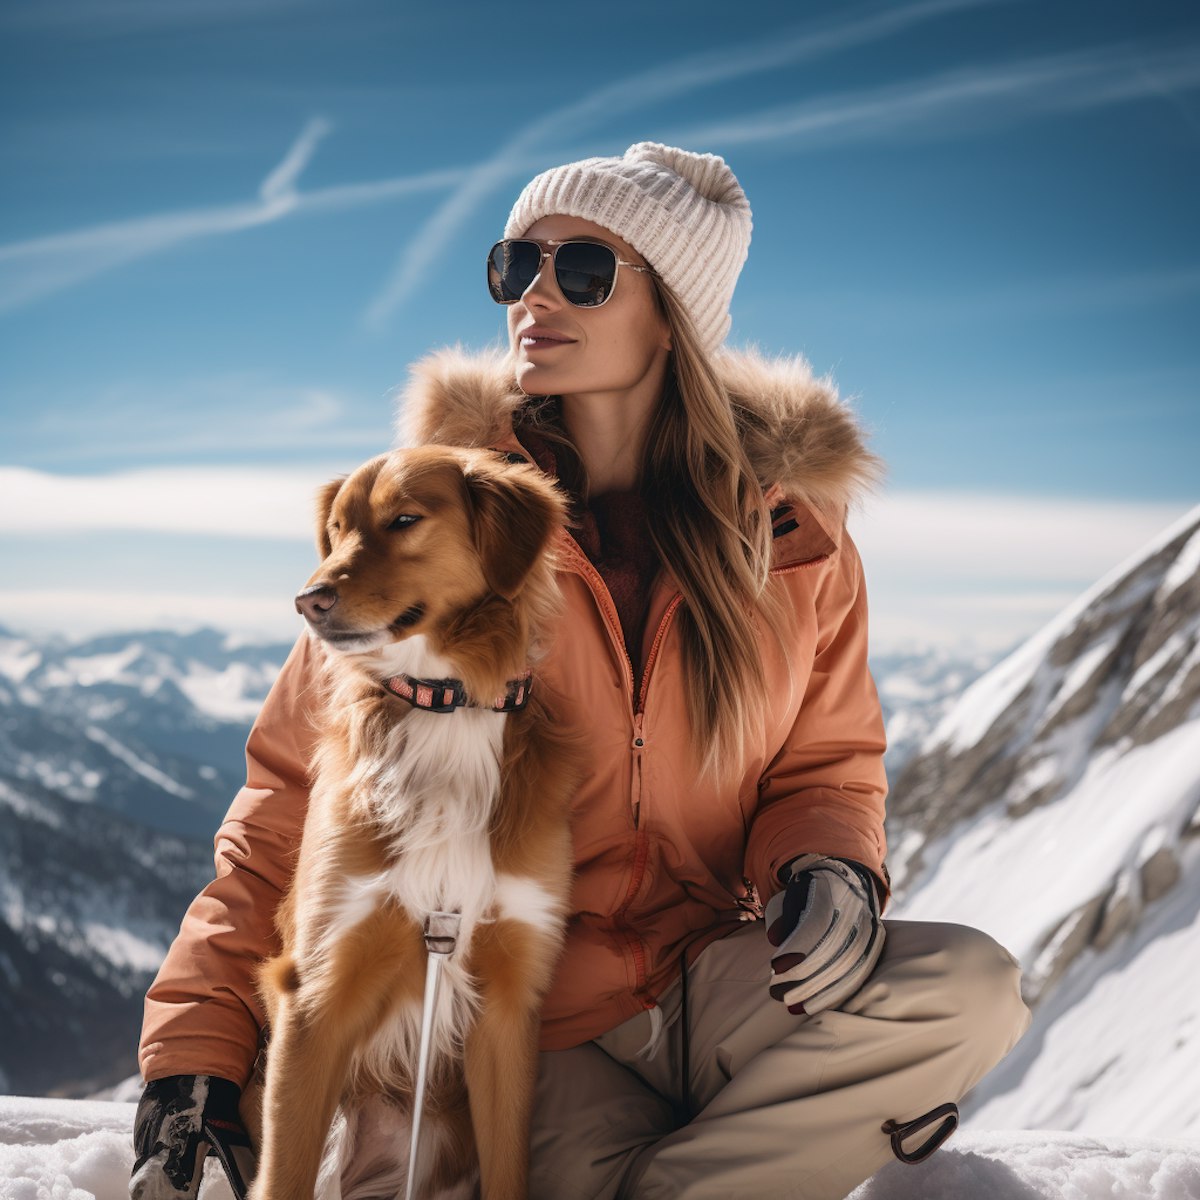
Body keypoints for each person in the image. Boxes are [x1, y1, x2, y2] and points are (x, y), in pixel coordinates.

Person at [130, 142, 1033, 1200]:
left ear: (676, 314)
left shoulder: (793, 536)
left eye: (585, 270)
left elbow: (825, 766)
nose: (534, 297)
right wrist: (195, 1060)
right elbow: (290, 802)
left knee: (968, 989)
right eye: (516, 265)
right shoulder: (440, 530)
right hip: (522, 1020)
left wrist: (826, 867)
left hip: (710, 974)